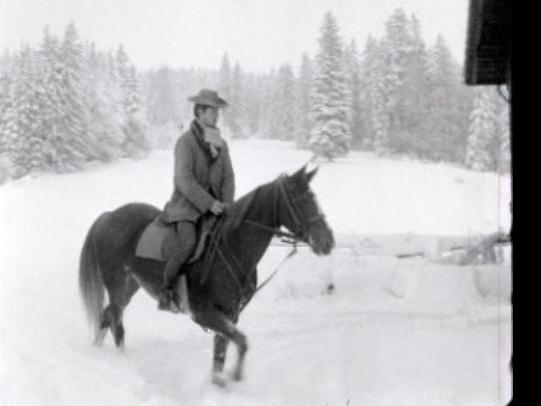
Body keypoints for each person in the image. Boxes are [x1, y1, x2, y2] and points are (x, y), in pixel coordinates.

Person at [158, 89, 235, 312]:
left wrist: (226, 204)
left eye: (217, 111)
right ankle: (167, 291)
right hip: (186, 208)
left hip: (218, 208)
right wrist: (209, 203)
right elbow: (184, 179)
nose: (216, 116)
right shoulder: (185, 142)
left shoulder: (221, 144)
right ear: (199, 112)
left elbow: (228, 177)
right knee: (187, 243)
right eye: (212, 111)